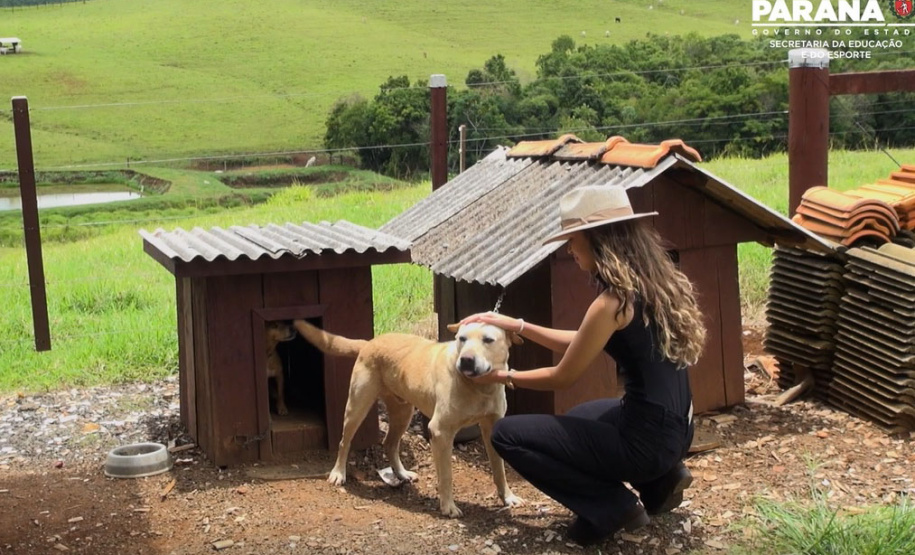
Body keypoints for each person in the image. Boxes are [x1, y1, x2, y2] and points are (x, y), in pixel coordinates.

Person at [460, 185, 706, 546]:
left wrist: (500, 377)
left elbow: (563, 376)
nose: (569, 249)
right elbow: (583, 341)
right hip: (678, 429)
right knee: (579, 417)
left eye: (573, 240)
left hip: (646, 443)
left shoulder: (612, 302)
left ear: (598, 240)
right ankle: (662, 481)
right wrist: (519, 326)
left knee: (507, 435)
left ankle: (612, 507)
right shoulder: (655, 284)